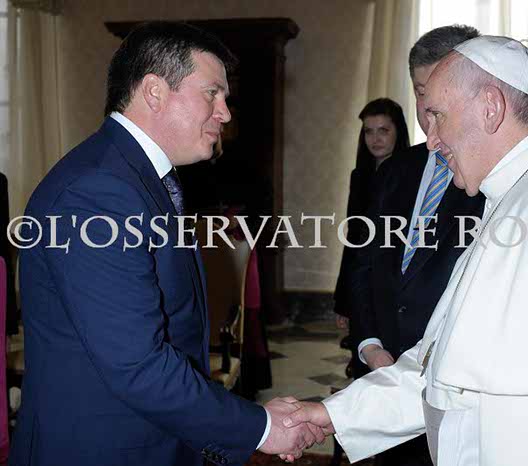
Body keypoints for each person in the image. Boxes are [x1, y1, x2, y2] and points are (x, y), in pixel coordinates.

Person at [283, 36, 528, 466]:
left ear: (491, 107)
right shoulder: (525, 190)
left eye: (438, 116)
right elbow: (446, 366)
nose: (431, 140)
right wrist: (333, 414)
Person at [10, 22, 321, 466]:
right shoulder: (97, 191)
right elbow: (137, 363)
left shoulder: (134, 177)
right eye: (212, 94)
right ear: (155, 91)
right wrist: (261, 427)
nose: (225, 113)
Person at [346, 26, 485, 466]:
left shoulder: (493, 180)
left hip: (456, 386)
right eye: (420, 92)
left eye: (438, 93)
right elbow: (364, 261)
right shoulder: (396, 169)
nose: (427, 109)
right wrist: (368, 342)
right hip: (384, 370)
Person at [333, 97, 410, 378]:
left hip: (395, 283)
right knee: (363, 363)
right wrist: (342, 299)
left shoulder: (411, 175)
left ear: (398, 132)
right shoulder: (360, 176)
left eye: (383, 130)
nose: (375, 139)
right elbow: (353, 240)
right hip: (362, 280)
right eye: (368, 131)